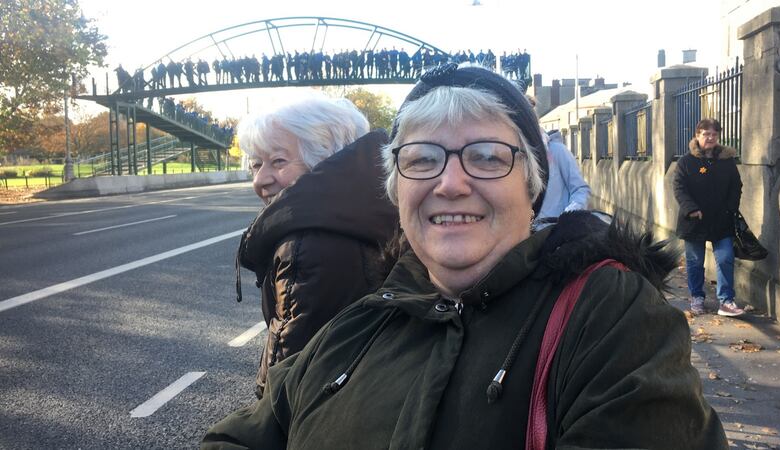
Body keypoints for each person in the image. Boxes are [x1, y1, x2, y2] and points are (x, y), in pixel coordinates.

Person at [203, 65, 727, 449]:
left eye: (485, 157)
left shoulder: (609, 313)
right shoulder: (365, 320)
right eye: (422, 159)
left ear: (532, 186)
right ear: (396, 189)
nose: (450, 183)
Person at [234, 97, 400, 398]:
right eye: (256, 164)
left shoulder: (309, 244)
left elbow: (288, 369)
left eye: (278, 161)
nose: (260, 180)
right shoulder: (366, 210)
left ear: (324, 159)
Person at [674, 118, 744, 317]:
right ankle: (697, 296)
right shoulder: (686, 162)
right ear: (697, 136)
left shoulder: (727, 161)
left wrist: (731, 208)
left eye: (714, 134)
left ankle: (726, 301)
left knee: (725, 258)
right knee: (695, 261)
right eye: (706, 134)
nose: (710, 138)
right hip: (694, 220)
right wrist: (691, 208)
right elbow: (679, 188)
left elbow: (736, 187)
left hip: (721, 220)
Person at [533, 127, 591, 230]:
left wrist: (566, 218)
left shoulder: (558, 151)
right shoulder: (520, 156)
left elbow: (580, 190)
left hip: (557, 233)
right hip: (530, 237)